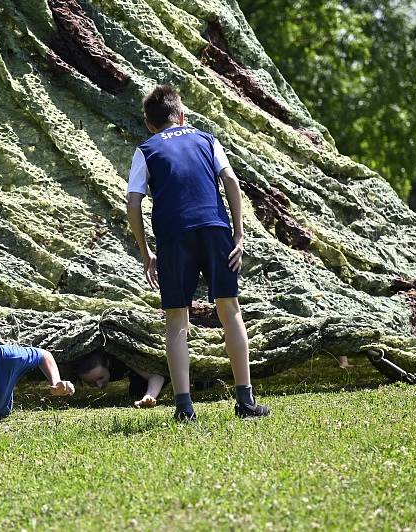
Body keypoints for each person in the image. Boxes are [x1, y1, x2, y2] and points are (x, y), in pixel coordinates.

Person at [125, 84, 271, 421]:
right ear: (183, 116)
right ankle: (246, 403)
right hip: (215, 226)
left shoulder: (145, 149)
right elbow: (231, 181)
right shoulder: (207, 139)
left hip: (174, 235)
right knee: (229, 310)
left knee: (177, 319)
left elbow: (133, 202)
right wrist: (239, 233)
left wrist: (147, 252)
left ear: (150, 124)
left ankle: (184, 408)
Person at [73, 351, 166, 408]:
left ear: (108, 363)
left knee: (138, 390)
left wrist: (149, 396)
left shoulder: (124, 357)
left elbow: (157, 375)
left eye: (101, 378)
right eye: (91, 383)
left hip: (160, 366)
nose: (99, 385)